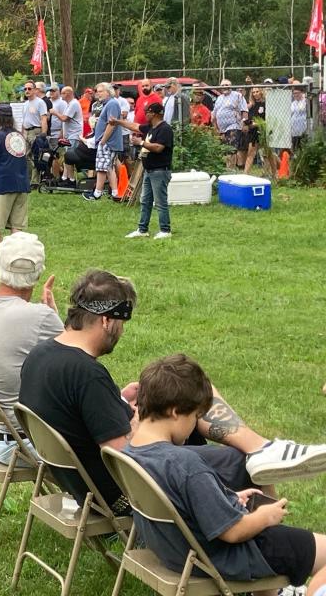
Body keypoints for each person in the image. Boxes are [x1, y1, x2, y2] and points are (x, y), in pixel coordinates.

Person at [18, 269, 326, 516]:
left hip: (83, 488)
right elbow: (127, 459)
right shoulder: (87, 374)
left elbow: (79, 416)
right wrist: (144, 418)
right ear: (106, 320)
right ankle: (271, 553)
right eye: (123, 323)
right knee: (236, 458)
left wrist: (121, 401)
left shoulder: (41, 355)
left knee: (184, 387)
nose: (122, 332)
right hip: (125, 497)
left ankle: (262, 449)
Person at [125, 354, 326, 594]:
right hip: (223, 559)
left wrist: (229, 498)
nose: (194, 426)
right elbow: (234, 532)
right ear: (176, 411)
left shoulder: (130, 452)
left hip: (176, 552)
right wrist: (266, 516)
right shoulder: (184, 463)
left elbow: (186, 504)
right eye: (196, 417)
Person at [0, 232, 62, 463]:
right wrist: (52, 315)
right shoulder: (41, 317)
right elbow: (81, 366)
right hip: (22, 444)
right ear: (38, 274)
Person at [0, 107, 30, 266]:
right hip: (21, 184)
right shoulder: (19, 136)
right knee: (17, 225)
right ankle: (16, 258)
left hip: (2, 185)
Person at [121, 101, 174, 239]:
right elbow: (134, 126)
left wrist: (142, 143)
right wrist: (118, 122)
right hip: (149, 170)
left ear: (155, 113)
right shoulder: (151, 127)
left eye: (148, 112)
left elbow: (159, 148)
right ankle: (142, 229)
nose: (145, 114)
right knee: (145, 201)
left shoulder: (165, 129)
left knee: (160, 202)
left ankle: (165, 230)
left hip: (160, 170)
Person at [83, 82, 122, 201]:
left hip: (108, 141)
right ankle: (115, 193)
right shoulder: (108, 104)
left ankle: (97, 193)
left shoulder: (112, 103)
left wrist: (103, 140)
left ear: (108, 92)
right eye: (97, 91)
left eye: (100, 91)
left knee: (101, 167)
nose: (97, 94)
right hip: (106, 141)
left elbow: (112, 124)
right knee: (109, 167)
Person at [212, 79, 249, 169]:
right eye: (223, 85)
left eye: (227, 85)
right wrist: (215, 128)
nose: (225, 87)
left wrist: (245, 123)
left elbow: (244, 110)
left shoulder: (237, 96)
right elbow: (214, 114)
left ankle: (230, 170)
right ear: (220, 87)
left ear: (231, 86)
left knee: (231, 149)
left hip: (234, 125)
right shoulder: (219, 98)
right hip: (221, 129)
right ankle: (228, 168)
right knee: (224, 150)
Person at [20, 81, 48, 182]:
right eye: (25, 89)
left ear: (35, 90)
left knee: (36, 156)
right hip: (26, 131)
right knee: (25, 156)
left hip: (36, 131)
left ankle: (35, 181)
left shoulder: (40, 102)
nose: (27, 91)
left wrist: (43, 133)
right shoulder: (25, 104)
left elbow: (43, 119)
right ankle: (27, 179)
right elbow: (23, 120)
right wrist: (22, 133)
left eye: (29, 89)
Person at [56, 86, 83, 184]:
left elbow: (64, 118)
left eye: (62, 93)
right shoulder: (68, 104)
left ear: (68, 93)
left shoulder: (74, 104)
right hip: (69, 135)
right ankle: (65, 177)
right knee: (67, 157)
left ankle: (70, 179)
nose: (60, 95)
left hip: (74, 135)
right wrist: (62, 133)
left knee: (69, 157)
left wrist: (55, 113)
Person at [244, 87, 267, 173]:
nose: (255, 94)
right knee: (251, 153)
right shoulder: (251, 105)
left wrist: (257, 124)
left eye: (257, 91)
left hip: (264, 131)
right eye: (253, 92)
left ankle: (272, 172)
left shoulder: (266, 104)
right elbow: (247, 117)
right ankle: (245, 174)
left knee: (268, 154)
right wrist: (247, 123)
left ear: (261, 92)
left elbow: (268, 119)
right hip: (253, 132)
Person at [290, 87, 308, 155]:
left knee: (303, 147)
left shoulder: (305, 101)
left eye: (297, 93)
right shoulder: (293, 103)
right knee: (295, 148)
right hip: (294, 130)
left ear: (301, 93)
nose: (295, 95)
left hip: (303, 128)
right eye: (294, 93)